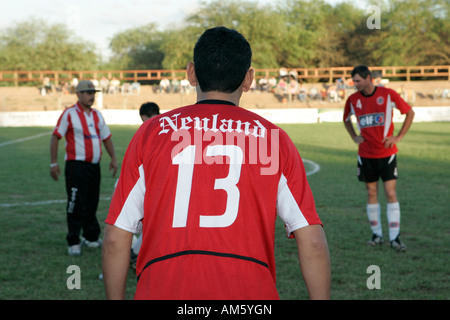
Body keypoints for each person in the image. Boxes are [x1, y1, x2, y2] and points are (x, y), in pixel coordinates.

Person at [102, 26, 330, 300]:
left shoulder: (152, 133)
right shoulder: (273, 140)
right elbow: (312, 241)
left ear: (191, 73)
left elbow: (116, 237)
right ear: (248, 79)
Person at [343, 65, 415, 252]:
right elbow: (345, 119)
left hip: (387, 154)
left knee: (390, 193)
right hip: (365, 155)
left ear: (368, 78)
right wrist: (353, 136)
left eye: (358, 80)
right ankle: (376, 235)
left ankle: (395, 237)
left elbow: (409, 112)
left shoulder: (388, 94)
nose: (355, 84)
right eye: (354, 81)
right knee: (371, 192)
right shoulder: (352, 100)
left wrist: (398, 137)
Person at [50, 80, 118, 256]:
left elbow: (106, 137)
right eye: (88, 92)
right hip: (76, 166)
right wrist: (53, 163)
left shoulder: (97, 115)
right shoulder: (69, 114)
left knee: (92, 201)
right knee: (75, 202)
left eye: (93, 92)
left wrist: (113, 158)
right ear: (78, 94)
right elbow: (56, 136)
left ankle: (91, 236)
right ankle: (73, 240)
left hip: (93, 166)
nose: (91, 96)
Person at [129, 102, 160, 268]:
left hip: (147, 182)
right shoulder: (170, 128)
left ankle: (135, 253)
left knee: (139, 223)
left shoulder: (146, 131)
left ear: (143, 117)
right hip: (166, 184)